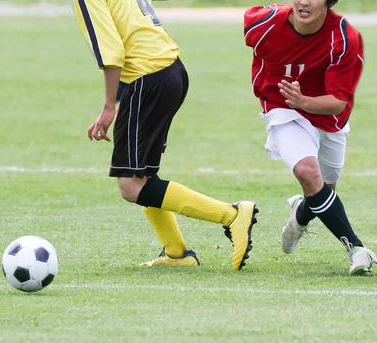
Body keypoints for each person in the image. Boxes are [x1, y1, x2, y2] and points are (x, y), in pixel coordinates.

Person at [73, 0, 258, 270]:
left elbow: (111, 53)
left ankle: (232, 215)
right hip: (169, 71)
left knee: (131, 185)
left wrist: (109, 107)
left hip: (148, 78)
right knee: (142, 174)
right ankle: (176, 252)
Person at [243, 0, 377, 275]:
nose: (304, 1)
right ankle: (357, 249)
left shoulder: (343, 38)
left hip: (328, 116)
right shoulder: (262, 24)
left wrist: (303, 99)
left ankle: (300, 215)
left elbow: (338, 102)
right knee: (307, 172)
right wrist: (292, 100)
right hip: (282, 108)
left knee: (325, 190)